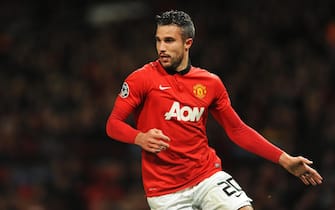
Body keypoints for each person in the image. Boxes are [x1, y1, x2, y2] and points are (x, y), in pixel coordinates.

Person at [106, 10, 323, 210]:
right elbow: (113, 124)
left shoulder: (210, 83)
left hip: (206, 176)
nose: (161, 47)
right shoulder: (141, 79)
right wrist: (139, 137)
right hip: (165, 191)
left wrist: (284, 159)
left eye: (169, 40)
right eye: (158, 40)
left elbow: (237, 130)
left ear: (187, 43)